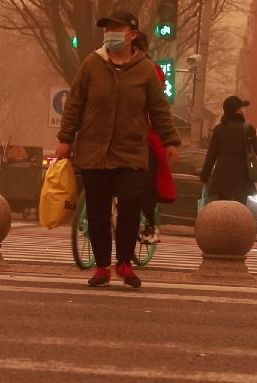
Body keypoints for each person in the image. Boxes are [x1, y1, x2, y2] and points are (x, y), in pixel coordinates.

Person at [55, 8, 181, 290]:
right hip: (94, 151)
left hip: (131, 153)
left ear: (132, 34)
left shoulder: (145, 69)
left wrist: (170, 141)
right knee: (98, 211)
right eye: (107, 30)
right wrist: (66, 138)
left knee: (130, 204)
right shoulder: (92, 64)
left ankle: (124, 263)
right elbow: (74, 103)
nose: (110, 34)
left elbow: (159, 109)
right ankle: (102, 267)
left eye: (117, 29)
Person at [130, 30, 175, 244]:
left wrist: (170, 140)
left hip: (145, 134)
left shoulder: (152, 71)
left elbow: (159, 108)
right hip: (117, 132)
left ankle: (149, 221)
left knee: (146, 179)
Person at [200, 96, 257, 203]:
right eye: (241, 108)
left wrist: (204, 176)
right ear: (237, 110)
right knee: (239, 213)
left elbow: (211, 155)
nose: (243, 111)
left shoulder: (219, 129)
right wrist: (252, 137)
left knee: (223, 210)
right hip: (242, 180)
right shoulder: (247, 129)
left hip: (222, 179)